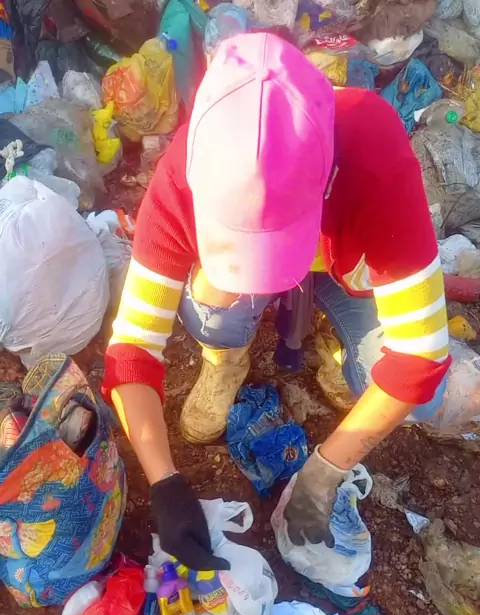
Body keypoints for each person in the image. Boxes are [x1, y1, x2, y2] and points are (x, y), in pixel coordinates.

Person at [102, 31, 450, 567]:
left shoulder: (373, 151)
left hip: (344, 271)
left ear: (327, 174)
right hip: (278, 269)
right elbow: (132, 346)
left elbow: (420, 357)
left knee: (418, 396)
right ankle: (225, 360)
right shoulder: (184, 170)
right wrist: (164, 481)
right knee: (214, 308)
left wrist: (325, 469)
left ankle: (336, 343)